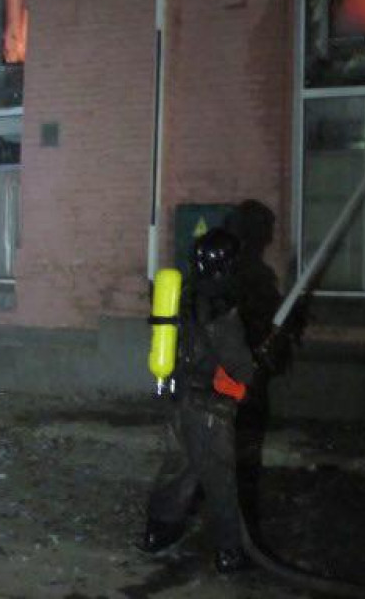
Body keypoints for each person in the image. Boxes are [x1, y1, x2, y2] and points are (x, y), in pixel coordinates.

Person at [139, 227, 255, 573]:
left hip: (179, 397)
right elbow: (237, 363)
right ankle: (230, 552)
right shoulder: (220, 305)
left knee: (180, 467)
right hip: (208, 407)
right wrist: (249, 374)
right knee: (220, 479)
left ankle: (157, 533)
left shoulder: (183, 293)